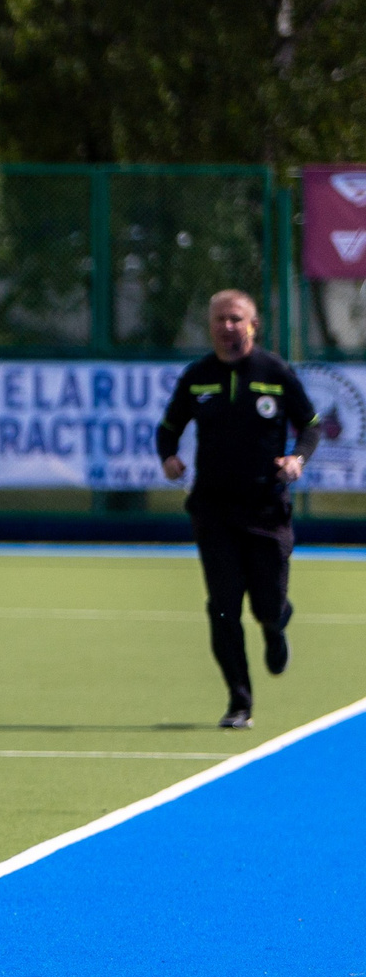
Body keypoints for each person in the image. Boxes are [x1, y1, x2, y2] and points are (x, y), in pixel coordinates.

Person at [157, 289, 318, 729]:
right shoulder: (198, 376)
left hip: (266, 509)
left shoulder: (274, 372)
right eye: (220, 320)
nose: (228, 327)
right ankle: (239, 702)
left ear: (253, 325)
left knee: (267, 603)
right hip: (213, 512)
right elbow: (168, 429)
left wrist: (296, 458)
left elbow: (310, 424)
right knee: (223, 606)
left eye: (236, 319)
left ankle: (275, 622)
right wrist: (168, 458)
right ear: (211, 325)